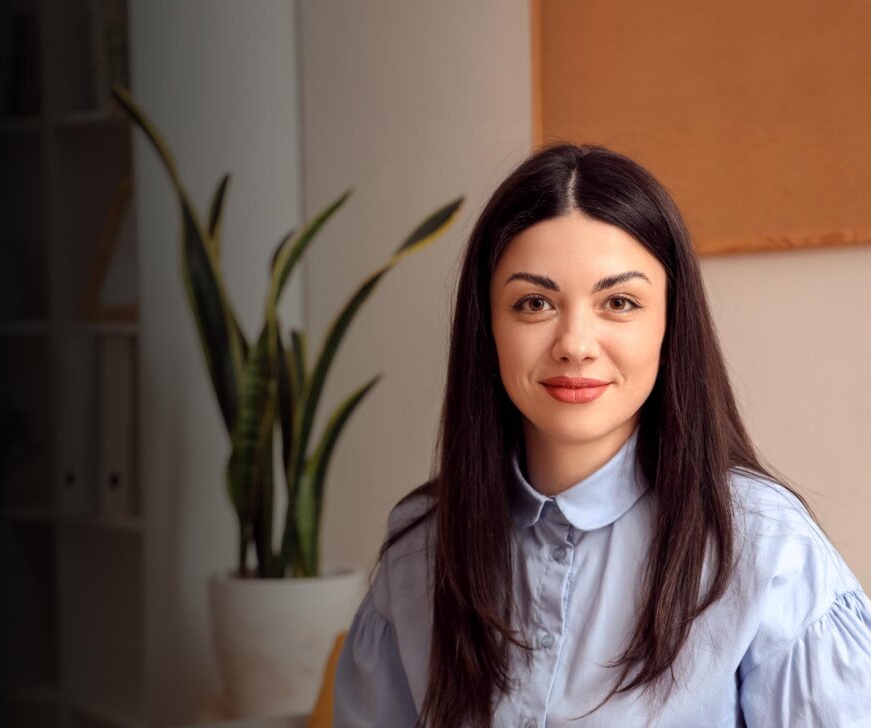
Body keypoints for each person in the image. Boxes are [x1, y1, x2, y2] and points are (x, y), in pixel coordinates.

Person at [332, 143, 871, 728]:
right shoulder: (420, 551)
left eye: (619, 302)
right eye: (534, 303)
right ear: (487, 327)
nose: (576, 343)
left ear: (670, 322)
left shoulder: (766, 549)